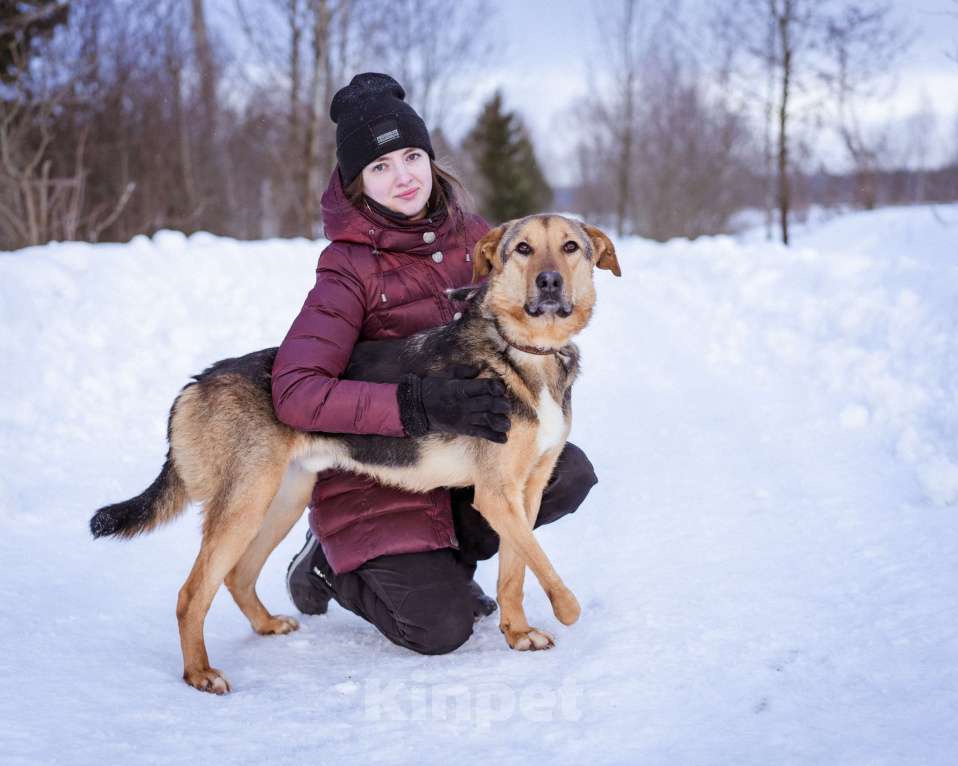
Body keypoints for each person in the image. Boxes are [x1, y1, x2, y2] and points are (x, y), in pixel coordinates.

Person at [274, 72, 597, 655]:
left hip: (462, 457)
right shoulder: (347, 268)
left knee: (564, 471)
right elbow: (296, 391)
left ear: (429, 159)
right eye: (380, 167)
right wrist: (414, 404)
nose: (402, 176)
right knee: (439, 629)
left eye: (411, 156)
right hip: (377, 467)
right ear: (357, 184)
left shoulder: (478, 239)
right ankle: (329, 562)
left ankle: (449, 564)